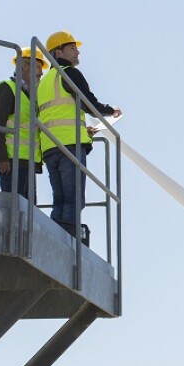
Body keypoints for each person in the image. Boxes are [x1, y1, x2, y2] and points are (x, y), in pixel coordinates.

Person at [37, 30, 121, 245]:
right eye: (72, 48)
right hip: (69, 146)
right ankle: (66, 245)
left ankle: (52, 240)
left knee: (59, 200)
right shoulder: (68, 73)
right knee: (73, 201)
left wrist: (87, 132)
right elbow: (88, 103)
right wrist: (110, 110)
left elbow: (56, 114)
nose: (78, 52)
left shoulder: (45, 82)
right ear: (59, 52)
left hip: (49, 147)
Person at [0, 47, 47, 201]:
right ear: (23, 66)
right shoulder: (7, 88)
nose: (41, 73)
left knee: (29, 213)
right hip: (11, 161)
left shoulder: (32, 97)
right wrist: (1, 158)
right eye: (37, 67)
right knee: (15, 209)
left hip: (29, 162)